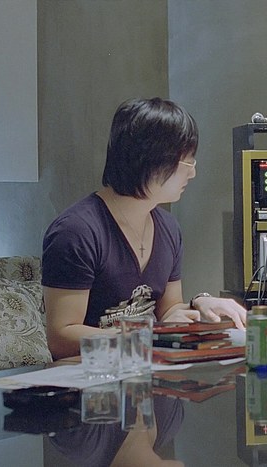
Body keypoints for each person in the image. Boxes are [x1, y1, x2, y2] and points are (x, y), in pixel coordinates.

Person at [42, 98, 246, 360]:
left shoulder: (168, 227)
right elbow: (61, 338)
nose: (192, 174)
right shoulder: (76, 232)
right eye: (187, 163)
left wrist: (200, 303)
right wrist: (149, 335)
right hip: (88, 376)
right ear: (151, 161)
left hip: (146, 369)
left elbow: (168, 312)